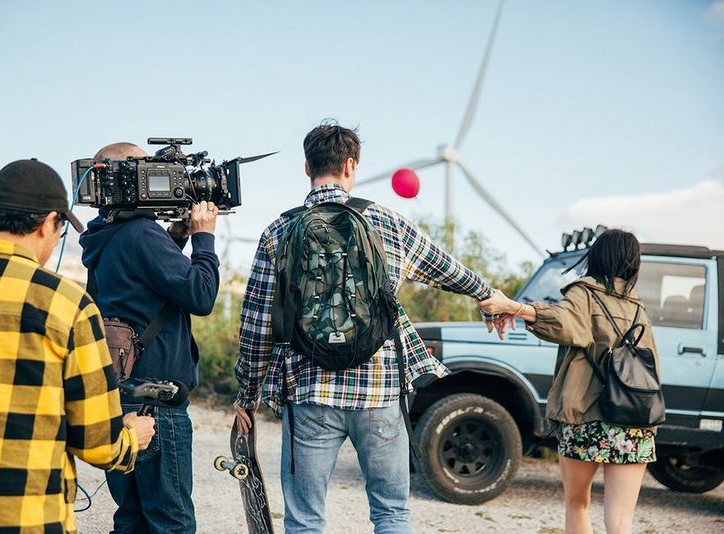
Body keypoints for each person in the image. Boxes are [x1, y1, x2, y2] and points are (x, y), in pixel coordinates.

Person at [233, 122, 496, 533]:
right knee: (392, 512)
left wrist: (247, 395)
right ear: (351, 166)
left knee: (304, 518)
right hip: (379, 390)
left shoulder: (278, 232)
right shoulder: (387, 223)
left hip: (309, 392)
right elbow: (445, 268)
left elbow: (256, 325)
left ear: (307, 168)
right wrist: (487, 295)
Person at [0, 159, 155, 532]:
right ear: (48, 223)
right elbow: (98, 443)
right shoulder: (67, 304)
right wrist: (131, 436)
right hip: (26, 518)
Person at [79, 142, 220, 533]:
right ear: (128, 178)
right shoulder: (142, 233)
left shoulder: (103, 234)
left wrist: (175, 238)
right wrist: (204, 238)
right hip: (156, 403)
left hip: (121, 396)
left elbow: (141, 286)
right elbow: (201, 295)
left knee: (132, 518)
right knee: (171, 522)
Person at [479, 229, 659, 534]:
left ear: (597, 256)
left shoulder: (585, 293)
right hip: (634, 423)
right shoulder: (637, 306)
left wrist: (514, 307)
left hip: (587, 419)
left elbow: (563, 322)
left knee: (578, 504)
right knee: (620, 521)